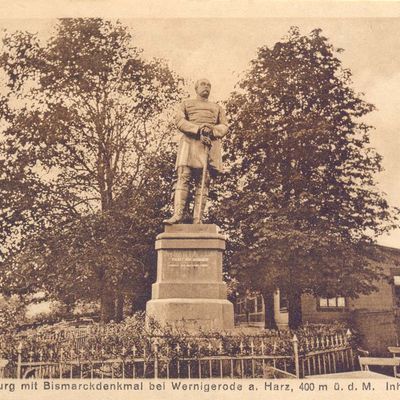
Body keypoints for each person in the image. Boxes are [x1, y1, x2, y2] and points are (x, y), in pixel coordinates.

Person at [163, 78, 228, 225]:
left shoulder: (217, 108)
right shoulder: (186, 104)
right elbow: (179, 121)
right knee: (183, 177)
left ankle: (197, 218)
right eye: (203, 84)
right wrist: (198, 130)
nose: (206, 87)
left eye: (209, 85)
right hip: (189, 143)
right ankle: (177, 215)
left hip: (208, 145)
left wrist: (212, 131)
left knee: (203, 182)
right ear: (196, 88)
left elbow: (224, 126)